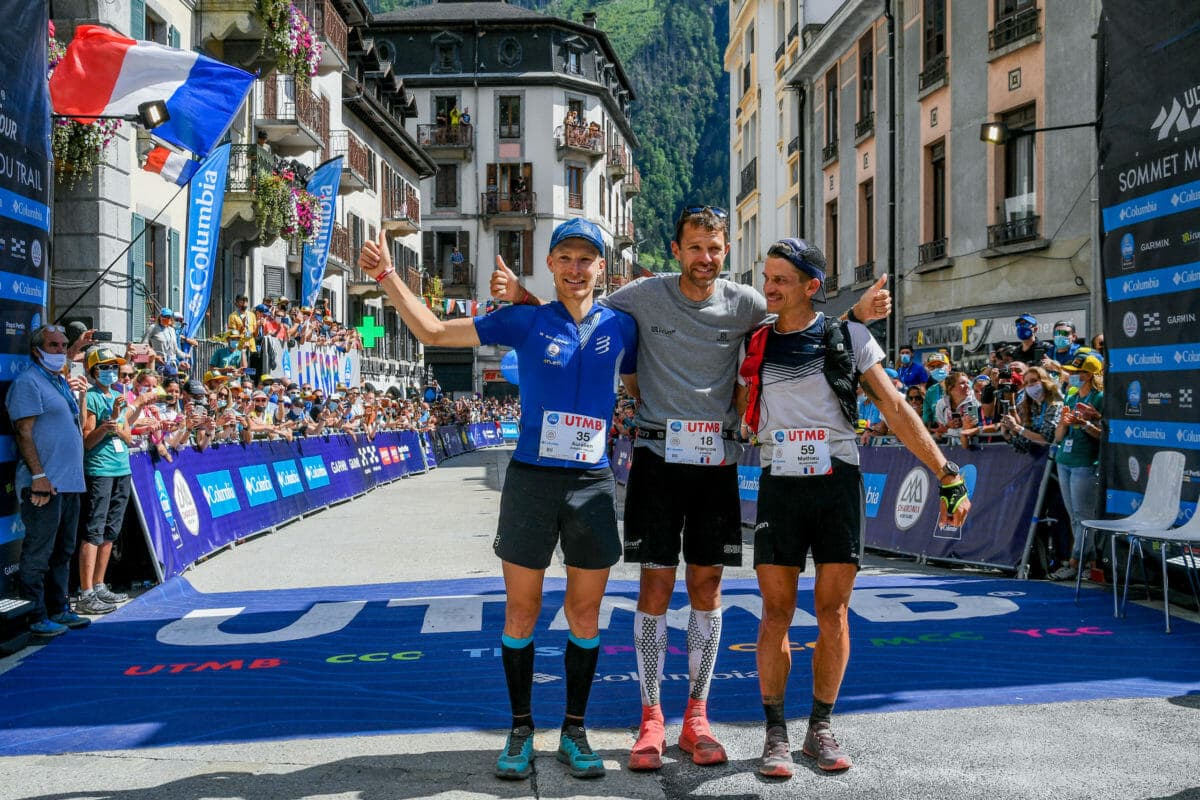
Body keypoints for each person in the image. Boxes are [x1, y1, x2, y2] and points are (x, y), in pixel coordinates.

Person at [489, 205, 890, 772]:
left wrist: (854, 313)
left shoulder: (748, 303)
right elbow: (577, 310)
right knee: (654, 591)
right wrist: (526, 301)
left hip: (716, 465)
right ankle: (651, 719)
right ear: (675, 250)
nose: (705, 258)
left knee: (707, 588)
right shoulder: (640, 295)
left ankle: (697, 717)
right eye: (695, 247)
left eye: (715, 248)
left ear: (727, 253)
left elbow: (799, 316)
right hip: (656, 460)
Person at [360, 218, 638, 781]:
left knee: (584, 613)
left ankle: (575, 732)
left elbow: (637, 385)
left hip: (591, 484)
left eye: (588, 259)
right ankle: (519, 731)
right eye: (567, 258)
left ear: (602, 268)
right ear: (553, 264)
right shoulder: (525, 321)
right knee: (523, 610)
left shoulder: (624, 327)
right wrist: (387, 275)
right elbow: (435, 333)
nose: (577, 268)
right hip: (532, 481)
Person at [736, 238, 969, 778]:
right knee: (775, 612)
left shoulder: (850, 337)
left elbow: (895, 405)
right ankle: (775, 733)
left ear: (811, 287)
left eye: (780, 281)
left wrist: (947, 474)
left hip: (837, 483)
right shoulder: (756, 341)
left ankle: (820, 727)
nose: (768, 288)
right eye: (766, 278)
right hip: (779, 483)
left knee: (833, 612)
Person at [5, 325, 92, 636]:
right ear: (37, 350)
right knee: (39, 553)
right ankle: (35, 615)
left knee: (63, 551)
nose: (59, 350)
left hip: (70, 483)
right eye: (53, 345)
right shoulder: (29, 383)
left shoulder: (59, 382)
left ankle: (59, 608)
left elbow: (77, 425)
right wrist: (39, 476)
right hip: (45, 484)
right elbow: (24, 432)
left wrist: (81, 395)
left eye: (63, 345)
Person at [78, 347, 139, 615]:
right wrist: (105, 425)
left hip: (121, 468)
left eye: (113, 366)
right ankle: (86, 591)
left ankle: (100, 584)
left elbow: (128, 438)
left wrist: (117, 420)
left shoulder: (119, 396)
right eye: (105, 367)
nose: (111, 371)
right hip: (99, 470)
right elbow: (87, 440)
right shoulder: (90, 397)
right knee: (94, 529)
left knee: (111, 530)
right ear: (93, 371)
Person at [1049, 347, 1105, 581]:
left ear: (1089, 375)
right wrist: (1063, 422)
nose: (1072, 374)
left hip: (1085, 462)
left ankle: (1074, 562)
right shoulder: (1071, 395)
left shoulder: (1100, 398)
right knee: (1075, 517)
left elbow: (1103, 434)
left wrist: (1085, 423)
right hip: (1065, 460)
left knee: (1082, 516)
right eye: (1070, 370)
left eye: (1077, 371)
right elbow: (1059, 436)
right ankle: (1088, 563)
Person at [1000, 365, 1063, 455]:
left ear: (1045, 382)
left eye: (1034, 381)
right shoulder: (1030, 408)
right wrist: (1008, 434)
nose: (1030, 385)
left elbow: (1046, 441)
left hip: (1053, 463)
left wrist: (1016, 427)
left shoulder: (1056, 406)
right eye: (1026, 383)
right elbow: (1023, 447)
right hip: (1037, 464)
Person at [143, 308, 182, 374]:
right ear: (160, 317)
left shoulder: (172, 330)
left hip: (172, 365)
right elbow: (144, 344)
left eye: (169, 317)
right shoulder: (153, 327)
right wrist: (155, 356)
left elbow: (174, 350)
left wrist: (180, 363)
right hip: (157, 364)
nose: (167, 318)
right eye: (165, 316)